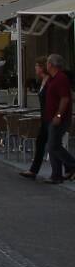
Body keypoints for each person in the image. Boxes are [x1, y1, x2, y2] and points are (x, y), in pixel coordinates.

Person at [42, 53, 75, 185]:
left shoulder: (61, 78)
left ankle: (68, 167)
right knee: (53, 146)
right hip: (51, 117)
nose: (46, 65)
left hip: (59, 118)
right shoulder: (52, 78)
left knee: (53, 146)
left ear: (51, 64)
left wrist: (59, 115)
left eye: (47, 63)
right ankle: (59, 174)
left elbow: (65, 98)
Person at [20, 60, 49, 180]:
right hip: (45, 117)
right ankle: (33, 170)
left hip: (49, 117)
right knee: (41, 142)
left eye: (37, 66)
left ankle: (70, 166)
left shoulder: (49, 81)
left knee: (53, 145)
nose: (35, 68)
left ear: (42, 67)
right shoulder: (42, 81)